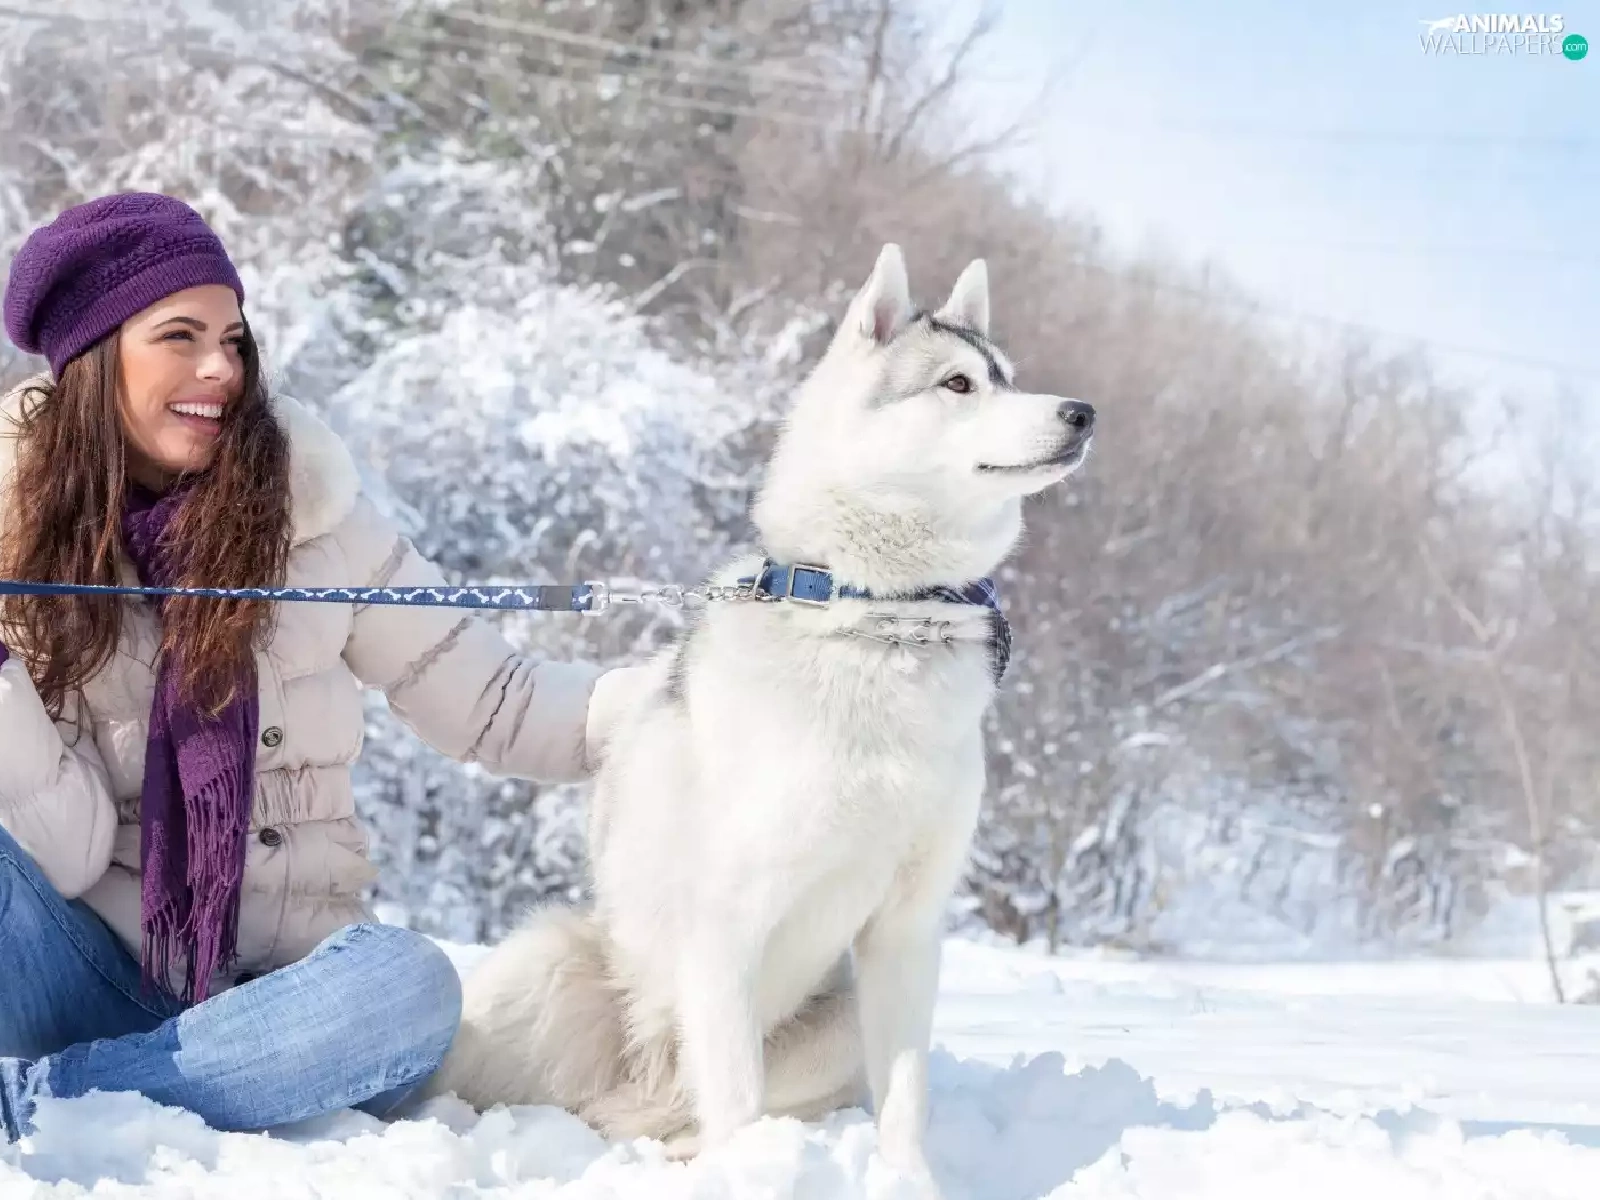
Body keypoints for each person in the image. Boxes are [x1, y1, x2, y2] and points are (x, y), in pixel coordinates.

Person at [0, 192, 630, 1141]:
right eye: (180, 336)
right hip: (95, 973)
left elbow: (495, 701)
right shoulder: (23, 542)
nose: (222, 368)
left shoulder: (310, 511)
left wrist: (679, 701)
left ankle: (52, 1103)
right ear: (93, 359)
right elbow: (70, 853)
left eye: (233, 338)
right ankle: (140, 1087)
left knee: (411, 984)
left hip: (295, 1004)